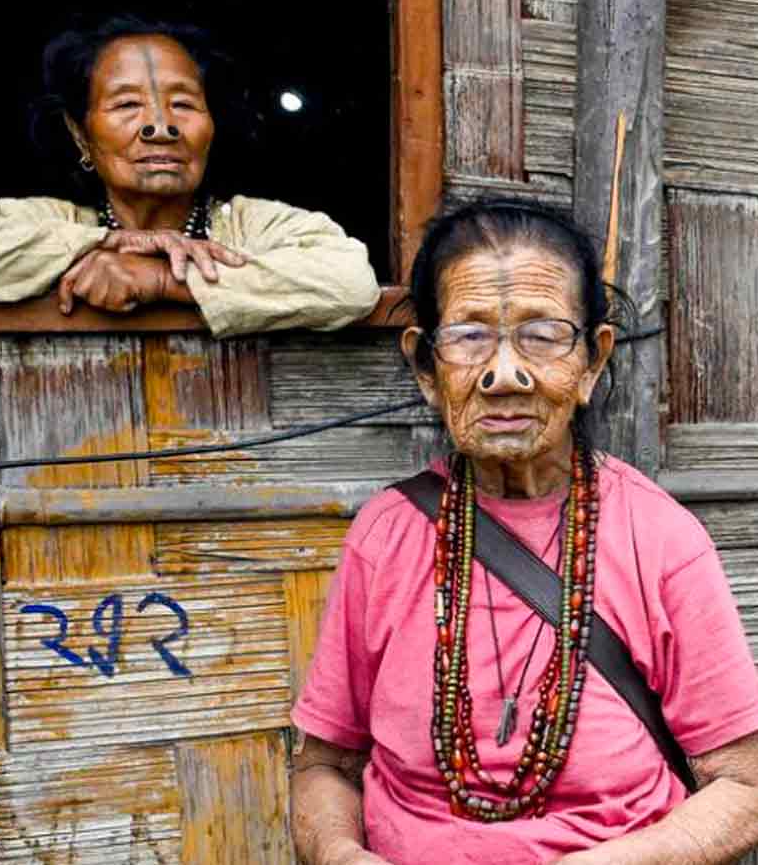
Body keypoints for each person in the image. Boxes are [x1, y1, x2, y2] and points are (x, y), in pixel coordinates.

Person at [290, 198, 758, 865]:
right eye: (470, 335)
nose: (504, 373)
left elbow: (745, 783)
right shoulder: (384, 535)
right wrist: (341, 855)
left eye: (541, 334)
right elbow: (323, 765)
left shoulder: (661, 539)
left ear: (592, 363)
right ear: (427, 368)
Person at [0, 15, 380, 338]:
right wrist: (107, 245)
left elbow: (350, 285)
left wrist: (164, 278)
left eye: (183, 103)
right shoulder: (53, 220)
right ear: (80, 134)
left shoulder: (256, 226)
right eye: (125, 104)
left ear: (212, 126)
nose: (160, 126)